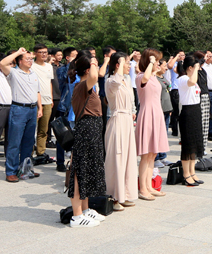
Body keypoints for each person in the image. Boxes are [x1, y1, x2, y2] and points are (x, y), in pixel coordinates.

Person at [67, 53, 107, 227]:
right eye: (93, 65)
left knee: (88, 171)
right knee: (80, 172)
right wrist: (92, 61)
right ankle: (76, 216)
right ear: (87, 69)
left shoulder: (87, 86)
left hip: (93, 130)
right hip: (86, 130)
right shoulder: (82, 85)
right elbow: (94, 76)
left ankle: (85, 209)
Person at [0, 48, 42, 183]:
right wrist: (18, 52)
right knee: (14, 142)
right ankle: (11, 171)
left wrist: (40, 107)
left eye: (31, 59)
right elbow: (2, 63)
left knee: (29, 142)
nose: (30, 61)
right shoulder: (14, 72)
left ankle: (25, 169)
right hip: (19, 109)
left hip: (32, 109)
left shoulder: (33, 74)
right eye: (27, 59)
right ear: (20, 61)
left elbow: (37, 92)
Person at [104, 52, 138, 210]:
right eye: (126, 63)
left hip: (127, 121)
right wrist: (119, 63)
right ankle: (114, 196)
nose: (129, 66)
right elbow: (115, 83)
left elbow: (131, 99)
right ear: (118, 65)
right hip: (117, 120)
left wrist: (133, 111)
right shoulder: (110, 81)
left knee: (128, 158)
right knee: (117, 158)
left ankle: (125, 194)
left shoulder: (127, 80)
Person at [135, 49, 169, 200]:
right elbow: (145, 78)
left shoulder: (154, 77)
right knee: (146, 154)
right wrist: (150, 63)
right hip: (147, 114)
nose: (158, 63)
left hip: (157, 113)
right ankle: (143, 189)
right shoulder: (140, 76)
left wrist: (155, 67)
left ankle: (149, 186)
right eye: (156, 61)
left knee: (153, 154)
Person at [177, 55, 205, 186]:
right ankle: (186, 173)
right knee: (187, 144)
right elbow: (192, 82)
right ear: (189, 68)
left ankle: (192, 171)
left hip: (196, 110)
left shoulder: (193, 79)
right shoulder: (183, 79)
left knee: (194, 144)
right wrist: (195, 70)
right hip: (188, 112)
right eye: (195, 67)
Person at [31, 44, 55, 165]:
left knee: (43, 130)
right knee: (31, 129)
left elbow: (49, 82)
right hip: (34, 101)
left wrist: (51, 98)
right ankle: (29, 153)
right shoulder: (31, 66)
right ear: (35, 54)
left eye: (45, 52)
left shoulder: (49, 67)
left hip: (47, 100)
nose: (44, 54)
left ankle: (40, 152)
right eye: (41, 52)